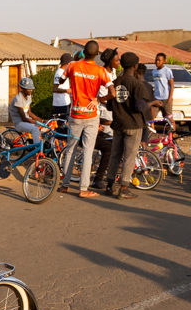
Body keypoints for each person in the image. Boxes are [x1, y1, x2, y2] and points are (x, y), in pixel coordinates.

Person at [58, 40, 112, 198]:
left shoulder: (72, 66)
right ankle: (83, 189)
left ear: (83, 52)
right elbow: (113, 93)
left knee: (71, 150)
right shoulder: (100, 71)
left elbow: (60, 80)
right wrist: (99, 100)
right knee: (88, 151)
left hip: (75, 114)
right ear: (97, 55)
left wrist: (69, 82)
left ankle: (65, 185)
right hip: (91, 115)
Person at [106, 52, 149, 200]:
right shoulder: (137, 84)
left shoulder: (115, 82)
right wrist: (151, 103)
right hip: (133, 124)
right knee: (129, 157)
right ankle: (123, 188)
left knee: (115, 155)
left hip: (118, 124)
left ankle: (109, 185)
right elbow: (139, 107)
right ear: (135, 66)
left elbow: (110, 107)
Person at [10, 77, 43, 145]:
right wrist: (39, 122)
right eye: (29, 89)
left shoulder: (29, 96)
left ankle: (37, 144)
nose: (31, 90)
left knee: (46, 127)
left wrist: (42, 120)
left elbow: (29, 113)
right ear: (23, 88)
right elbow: (23, 118)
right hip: (19, 123)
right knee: (35, 129)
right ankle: (38, 150)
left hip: (27, 121)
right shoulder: (18, 98)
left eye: (31, 88)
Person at [151, 53, 175, 129]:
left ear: (164, 61)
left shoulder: (167, 71)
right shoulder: (154, 71)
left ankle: (173, 135)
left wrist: (170, 98)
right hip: (156, 98)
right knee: (151, 117)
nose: (157, 62)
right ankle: (150, 133)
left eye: (159, 60)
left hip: (166, 98)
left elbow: (171, 85)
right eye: (156, 60)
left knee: (169, 118)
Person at [52, 53, 75, 118]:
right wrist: (68, 90)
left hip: (64, 102)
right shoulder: (59, 73)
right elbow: (55, 89)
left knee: (65, 122)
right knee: (63, 123)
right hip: (60, 103)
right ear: (67, 63)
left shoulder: (64, 71)